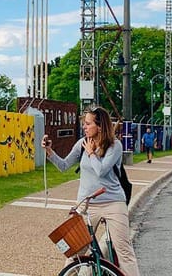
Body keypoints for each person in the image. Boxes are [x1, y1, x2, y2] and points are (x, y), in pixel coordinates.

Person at [41, 106, 140, 276]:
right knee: (75, 252)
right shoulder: (82, 144)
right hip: (87, 205)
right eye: (84, 123)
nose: (84, 127)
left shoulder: (114, 145)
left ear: (99, 126)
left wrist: (91, 153)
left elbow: (101, 170)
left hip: (113, 203)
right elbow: (64, 166)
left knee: (124, 250)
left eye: (88, 124)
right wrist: (49, 151)